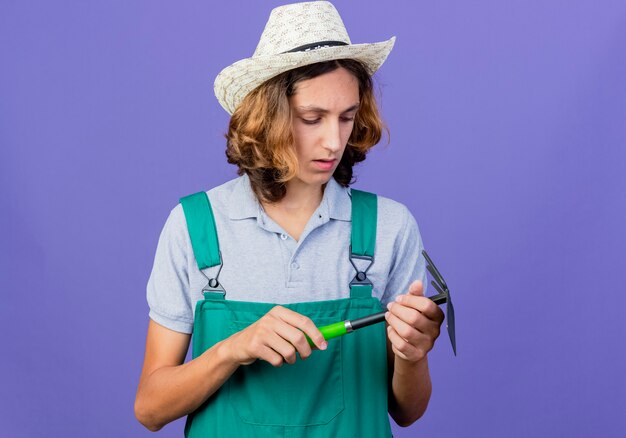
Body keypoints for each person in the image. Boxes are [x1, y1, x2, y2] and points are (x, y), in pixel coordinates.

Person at [134, 2, 444, 436]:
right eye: (311, 118)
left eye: (347, 117)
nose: (333, 140)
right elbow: (150, 408)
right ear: (267, 117)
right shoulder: (195, 226)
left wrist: (412, 354)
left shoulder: (390, 228)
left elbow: (407, 411)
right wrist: (233, 349)